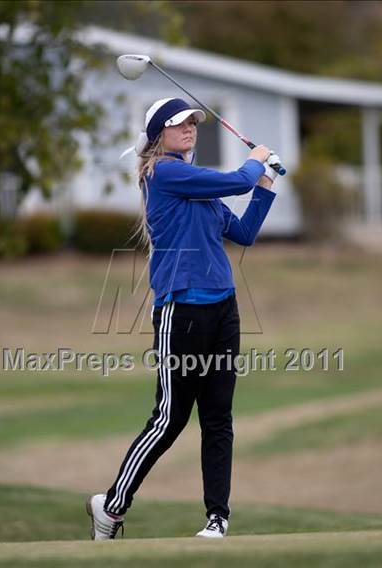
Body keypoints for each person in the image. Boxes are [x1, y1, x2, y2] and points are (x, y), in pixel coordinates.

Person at [86, 97, 279, 540]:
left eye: (193, 123)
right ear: (159, 136)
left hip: (223, 309)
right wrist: (256, 161)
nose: (190, 128)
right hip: (181, 309)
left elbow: (244, 232)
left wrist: (266, 185)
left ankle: (217, 519)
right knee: (170, 416)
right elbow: (235, 181)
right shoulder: (164, 174)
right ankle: (111, 507)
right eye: (179, 124)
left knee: (218, 418)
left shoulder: (199, 192)